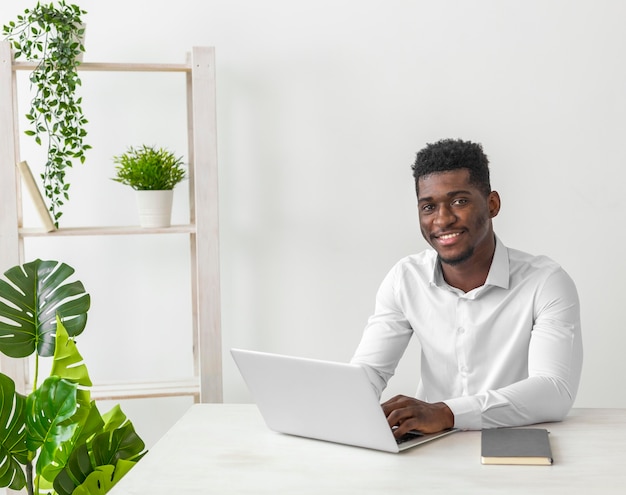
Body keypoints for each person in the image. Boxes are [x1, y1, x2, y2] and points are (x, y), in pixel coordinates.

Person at [350, 138, 583, 438]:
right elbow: (368, 372)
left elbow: (555, 392)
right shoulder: (405, 279)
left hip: (515, 445)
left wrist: (447, 413)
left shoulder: (546, 282)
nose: (442, 219)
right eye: (429, 206)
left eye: (459, 201)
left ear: (492, 204)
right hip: (430, 446)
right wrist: (347, 411)